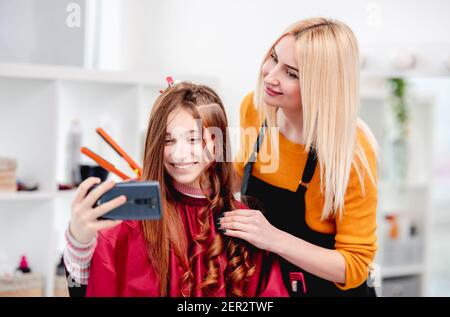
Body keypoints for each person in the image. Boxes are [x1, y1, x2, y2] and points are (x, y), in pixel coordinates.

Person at [64, 82, 288, 297]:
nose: (178, 154)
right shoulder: (131, 220)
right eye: (167, 140)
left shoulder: (244, 225)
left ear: (216, 142)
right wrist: (78, 243)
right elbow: (87, 284)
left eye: (193, 139)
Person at [218, 17, 378, 296]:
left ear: (322, 85)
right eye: (273, 58)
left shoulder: (352, 153)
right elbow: (240, 175)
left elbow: (355, 266)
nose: (270, 76)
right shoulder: (256, 109)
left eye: (291, 73)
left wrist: (272, 238)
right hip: (270, 286)